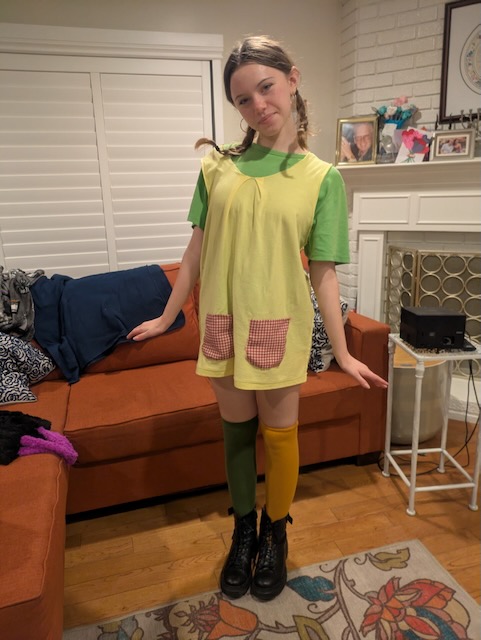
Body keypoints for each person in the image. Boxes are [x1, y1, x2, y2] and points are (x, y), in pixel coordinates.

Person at [127, 35, 387, 602]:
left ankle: (275, 533)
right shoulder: (216, 166)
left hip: (280, 325)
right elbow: (194, 253)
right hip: (221, 324)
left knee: (281, 436)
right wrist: (167, 317)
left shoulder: (323, 178)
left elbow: (323, 273)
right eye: (242, 99)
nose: (257, 105)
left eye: (265, 88)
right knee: (237, 435)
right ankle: (243, 529)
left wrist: (344, 353)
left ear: (292, 79)